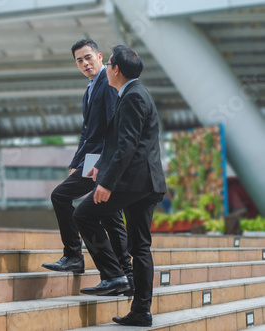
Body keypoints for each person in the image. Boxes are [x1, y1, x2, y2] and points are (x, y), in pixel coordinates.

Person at [74, 45, 166, 327]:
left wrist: (107, 183)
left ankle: (113, 273)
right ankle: (141, 311)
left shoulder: (133, 97)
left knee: (83, 214)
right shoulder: (133, 94)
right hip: (144, 183)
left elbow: (127, 146)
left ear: (115, 69)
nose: (106, 67)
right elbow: (123, 143)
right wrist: (101, 166)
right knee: (140, 247)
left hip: (133, 183)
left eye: (109, 62)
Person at [42, 39, 134, 295]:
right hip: (91, 161)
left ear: (100, 56)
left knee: (60, 196)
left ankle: (73, 255)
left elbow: (113, 127)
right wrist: (75, 162)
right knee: (110, 217)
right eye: (79, 60)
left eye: (88, 57)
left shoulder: (107, 83)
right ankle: (126, 278)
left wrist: (102, 164)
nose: (84, 63)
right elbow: (87, 132)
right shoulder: (91, 88)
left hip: (101, 162)